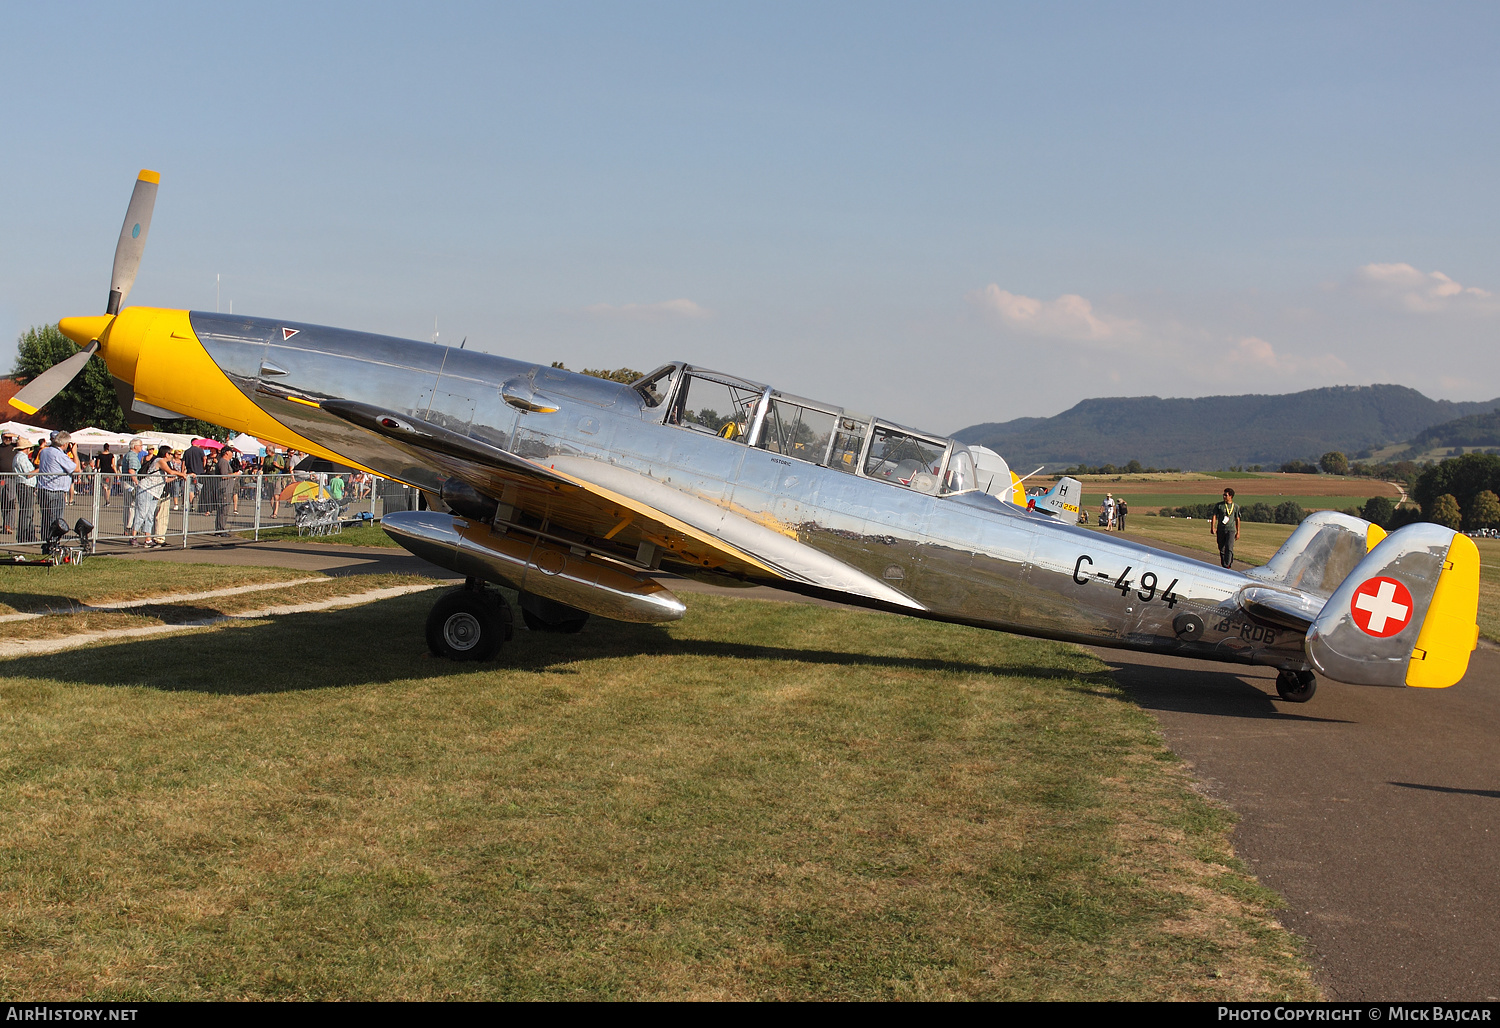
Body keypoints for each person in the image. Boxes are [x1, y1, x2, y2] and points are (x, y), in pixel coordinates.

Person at [37, 431, 78, 553]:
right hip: (55, 490)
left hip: (43, 488)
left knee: (45, 517)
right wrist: (74, 453)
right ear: (64, 444)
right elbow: (76, 468)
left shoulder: (45, 451)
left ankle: (46, 542)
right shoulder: (59, 455)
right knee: (56, 519)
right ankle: (52, 543)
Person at [142, 445, 187, 548]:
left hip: (156, 492)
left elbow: (167, 478)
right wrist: (181, 474)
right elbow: (169, 474)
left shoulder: (155, 460)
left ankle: (153, 537)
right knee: (159, 515)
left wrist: (177, 476)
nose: (172, 456)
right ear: (166, 454)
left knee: (152, 515)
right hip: (158, 492)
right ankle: (158, 538)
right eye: (171, 454)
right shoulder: (161, 461)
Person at [1211, 487, 1241, 568]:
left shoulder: (1236, 507)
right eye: (1223, 495)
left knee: (1229, 547)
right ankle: (1224, 564)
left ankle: (1227, 565)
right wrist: (1212, 527)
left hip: (1231, 530)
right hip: (1221, 529)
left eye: (1225, 495)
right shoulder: (1219, 506)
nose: (1223, 496)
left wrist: (1238, 532)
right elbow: (1214, 516)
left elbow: (1237, 519)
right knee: (1222, 548)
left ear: (1230, 496)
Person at [13, 444, 37, 544]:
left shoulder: (20, 457)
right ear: (26, 449)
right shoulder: (21, 458)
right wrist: (39, 469)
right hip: (25, 485)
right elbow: (28, 474)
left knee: (28, 511)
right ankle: (23, 536)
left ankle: (28, 534)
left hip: (27, 486)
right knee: (26, 511)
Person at [122, 437, 145, 540]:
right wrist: (137, 482)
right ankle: (129, 527)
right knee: (132, 505)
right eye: (140, 445)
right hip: (130, 483)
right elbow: (132, 471)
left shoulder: (128, 455)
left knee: (128, 506)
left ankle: (128, 527)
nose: (142, 447)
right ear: (135, 446)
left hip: (127, 482)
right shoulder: (132, 456)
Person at [213, 445, 239, 534]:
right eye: (231, 452)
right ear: (227, 452)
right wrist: (235, 474)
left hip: (227, 488)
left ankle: (220, 528)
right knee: (223, 510)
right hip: (224, 489)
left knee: (224, 510)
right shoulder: (223, 462)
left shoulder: (224, 462)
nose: (232, 454)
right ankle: (220, 529)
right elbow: (224, 475)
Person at [0, 431, 16, 533]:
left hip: (12, 477)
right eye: (6, 437)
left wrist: (14, 435)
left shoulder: (14, 447)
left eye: (9, 438)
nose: (8, 439)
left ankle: (9, 525)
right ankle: (5, 523)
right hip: (1, 478)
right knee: (3, 501)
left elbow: (25, 441)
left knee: (10, 501)